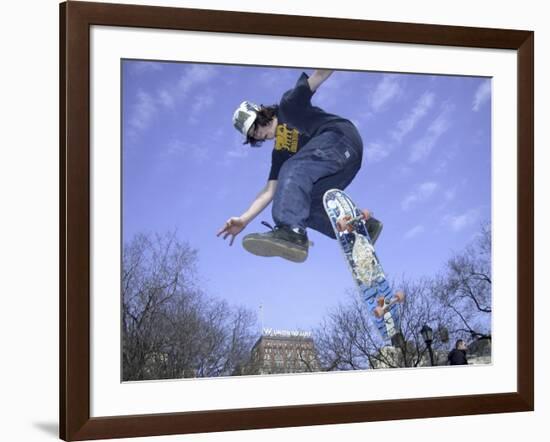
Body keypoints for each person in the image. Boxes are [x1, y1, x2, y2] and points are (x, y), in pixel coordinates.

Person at [217, 69, 382, 263]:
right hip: (342, 167)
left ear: (260, 114)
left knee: (293, 168)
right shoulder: (280, 152)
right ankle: (361, 229)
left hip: (340, 138)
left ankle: (291, 231)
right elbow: (269, 191)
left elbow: (318, 77)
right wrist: (244, 219)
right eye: (252, 137)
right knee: (306, 207)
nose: (258, 136)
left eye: (255, 129)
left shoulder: (289, 106)